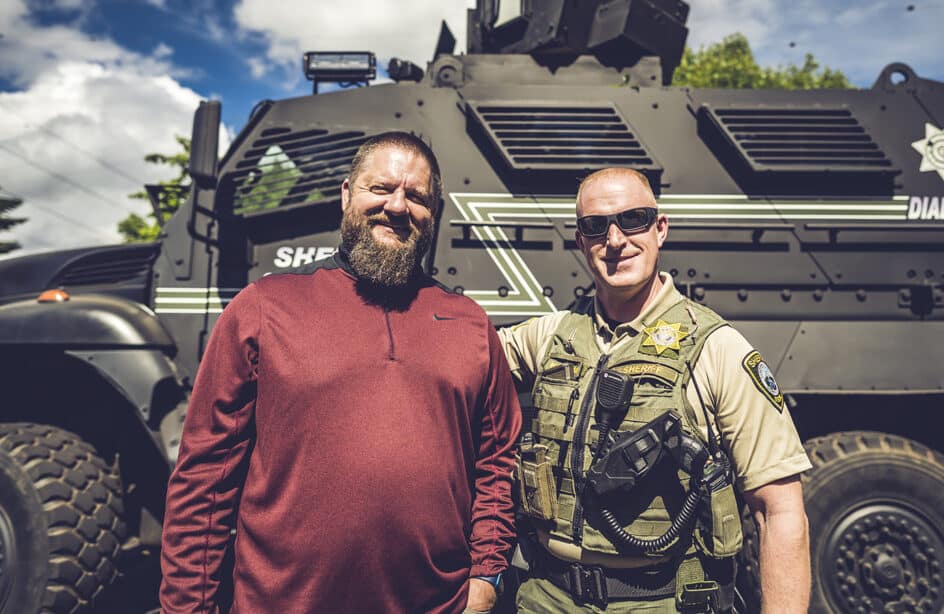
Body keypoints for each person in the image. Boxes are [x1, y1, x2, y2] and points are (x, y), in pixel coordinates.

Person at [160, 132, 522, 614]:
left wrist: (487, 576)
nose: (397, 206)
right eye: (381, 188)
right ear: (347, 194)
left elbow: (497, 461)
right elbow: (204, 478)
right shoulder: (265, 307)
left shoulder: (470, 322)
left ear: (432, 214)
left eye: (416, 197)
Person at [499, 167, 811, 613]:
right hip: (547, 597)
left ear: (659, 228)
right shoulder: (552, 336)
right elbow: (463, 356)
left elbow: (778, 511)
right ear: (580, 241)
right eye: (595, 226)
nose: (616, 239)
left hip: (661, 602)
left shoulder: (716, 348)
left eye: (634, 220)